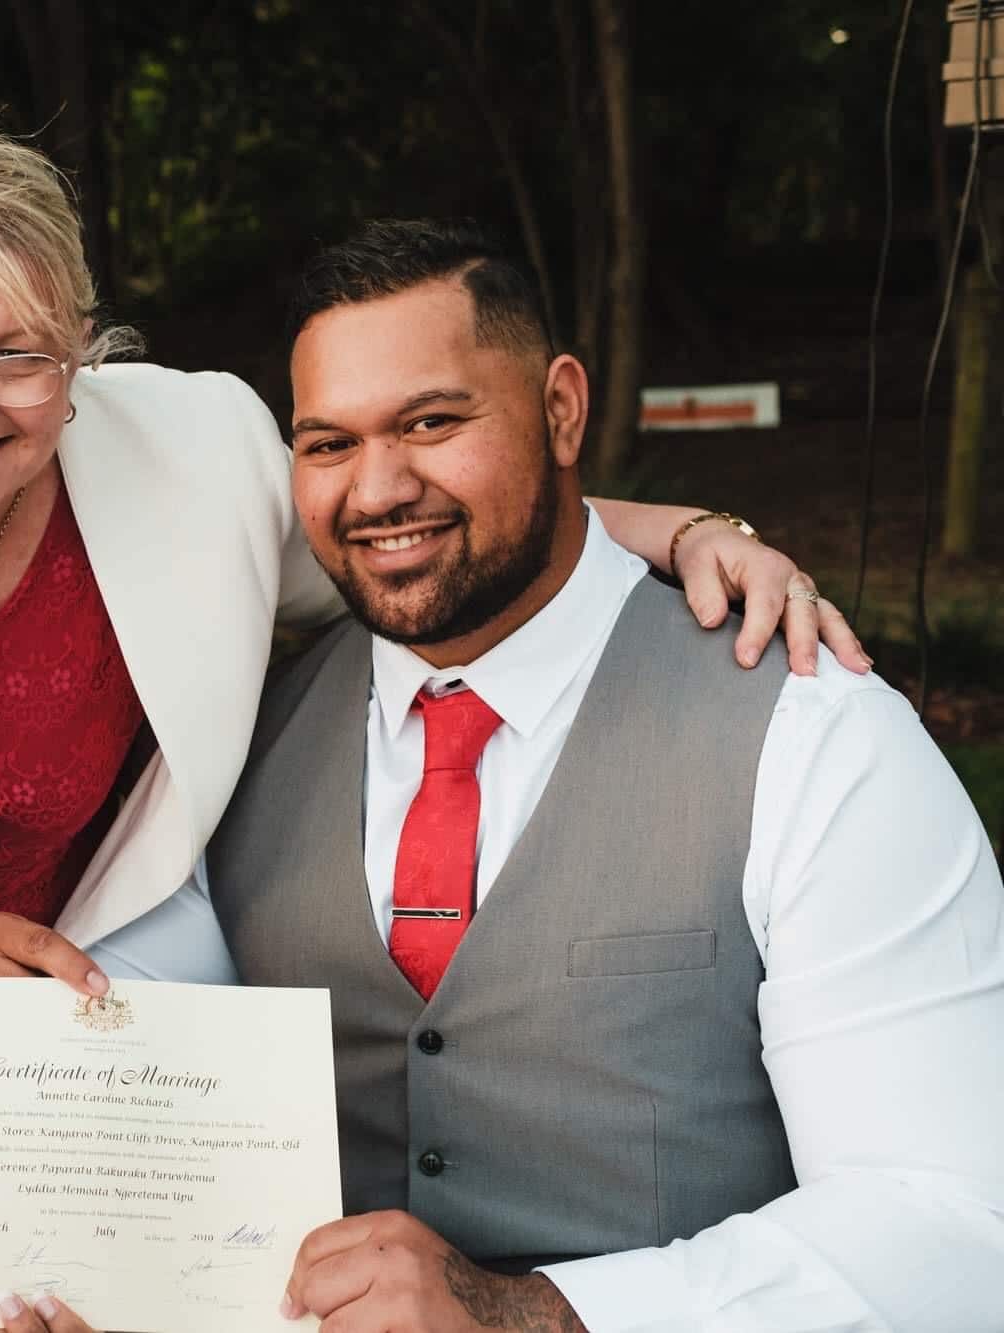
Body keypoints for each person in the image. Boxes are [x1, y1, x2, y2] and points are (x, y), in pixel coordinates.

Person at [0, 123, 868, 995]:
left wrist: (691, 531)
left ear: (84, 355)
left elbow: (406, 539)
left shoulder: (192, 454)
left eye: (16, 354)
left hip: (46, 1059)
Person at [189, 220, 1004, 1331]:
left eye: (430, 422)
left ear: (559, 409)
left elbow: (952, 1225)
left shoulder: (815, 737)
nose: (375, 489)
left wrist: (527, 1311)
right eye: (327, 444)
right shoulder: (234, 737)